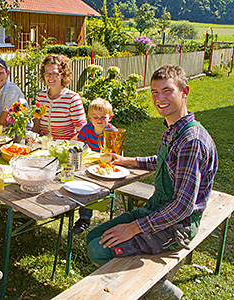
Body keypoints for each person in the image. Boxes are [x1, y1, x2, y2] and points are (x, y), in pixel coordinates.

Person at [87, 65, 218, 300]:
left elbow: (182, 207)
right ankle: (126, 283)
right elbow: (165, 160)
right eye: (154, 92)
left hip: (178, 225)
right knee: (93, 235)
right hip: (156, 210)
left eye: (167, 91)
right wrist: (129, 160)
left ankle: (160, 291)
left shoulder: (191, 140)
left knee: (98, 248)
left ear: (184, 91)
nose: (159, 98)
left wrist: (134, 227)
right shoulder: (174, 128)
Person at [73, 98, 116, 234]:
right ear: (89, 117)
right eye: (95, 117)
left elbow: (117, 153)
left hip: (106, 166)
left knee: (91, 187)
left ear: (110, 117)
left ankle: (85, 218)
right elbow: (78, 142)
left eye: (103, 117)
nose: (99, 120)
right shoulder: (87, 129)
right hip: (89, 163)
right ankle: (66, 208)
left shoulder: (112, 132)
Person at [33, 54, 87, 140]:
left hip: (65, 148)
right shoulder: (41, 97)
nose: (50, 77)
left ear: (62, 75)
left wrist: (65, 146)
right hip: (43, 146)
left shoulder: (72, 99)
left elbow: (82, 131)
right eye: (47, 73)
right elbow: (36, 127)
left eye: (55, 73)